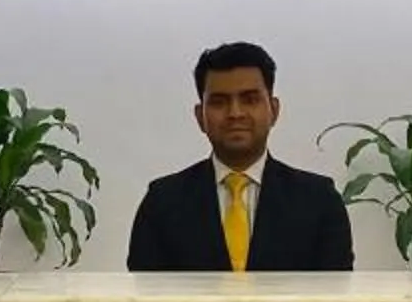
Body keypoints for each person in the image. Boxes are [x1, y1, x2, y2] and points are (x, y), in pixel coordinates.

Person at [126, 41, 355, 273]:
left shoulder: (319, 201)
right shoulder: (162, 203)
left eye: (250, 99)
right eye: (219, 102)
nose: (235, 113)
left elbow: (335, 301)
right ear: (200, 116)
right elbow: (144, 301)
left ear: (274, 110)